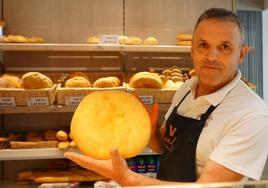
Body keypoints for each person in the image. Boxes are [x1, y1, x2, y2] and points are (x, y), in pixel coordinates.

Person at [64, 8, 268, 186]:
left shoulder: (252, 116)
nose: (212, 57)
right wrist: (151, 131)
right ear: (192, 51)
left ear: (241, 54)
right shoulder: (186, 89)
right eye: (203, 45)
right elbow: (165, 146)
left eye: (224, 47)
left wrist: (129, 179)